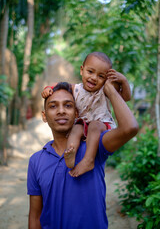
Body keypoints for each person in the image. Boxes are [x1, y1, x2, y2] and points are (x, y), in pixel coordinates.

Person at [27, 81, 138, 229]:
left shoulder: (95, 146)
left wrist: (109, 90)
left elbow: (130, 128)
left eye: (68, 105)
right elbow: (35, 216)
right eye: (53, 106)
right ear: (44, 115)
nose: (61, 111)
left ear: (77, 114)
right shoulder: (36, 161)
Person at [41, 52, 131, 177]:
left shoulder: (104, 90)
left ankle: (88, 160)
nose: (94, 78)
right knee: (76, 128)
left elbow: (126, 98)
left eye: (100, 76)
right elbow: (60, 85)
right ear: (82, 70)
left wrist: (124, 81)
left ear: (105, 79)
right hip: (83, 124)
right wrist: (48, 88)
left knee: (94, 125)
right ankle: (70, 153)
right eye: (90, 72)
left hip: (102, 123)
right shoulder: (76, 88)